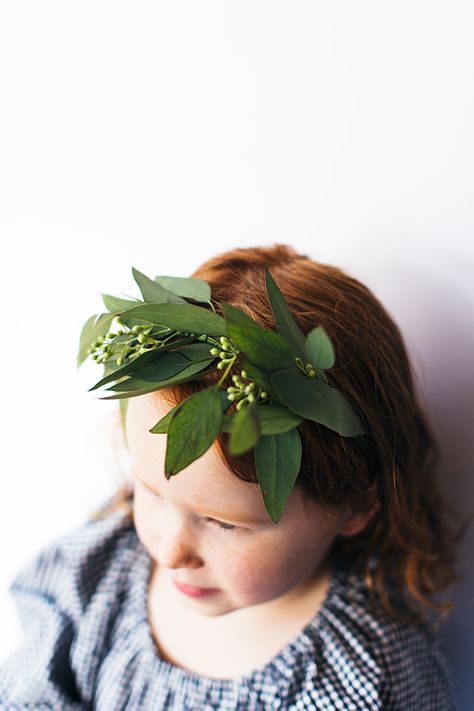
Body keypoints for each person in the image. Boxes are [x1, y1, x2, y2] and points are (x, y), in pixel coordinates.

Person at [0, 244, 463, 710]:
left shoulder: (364, 680)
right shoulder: (99, 577)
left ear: (355, 505)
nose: (169, 550)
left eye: (224, 523)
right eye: (151, 491)